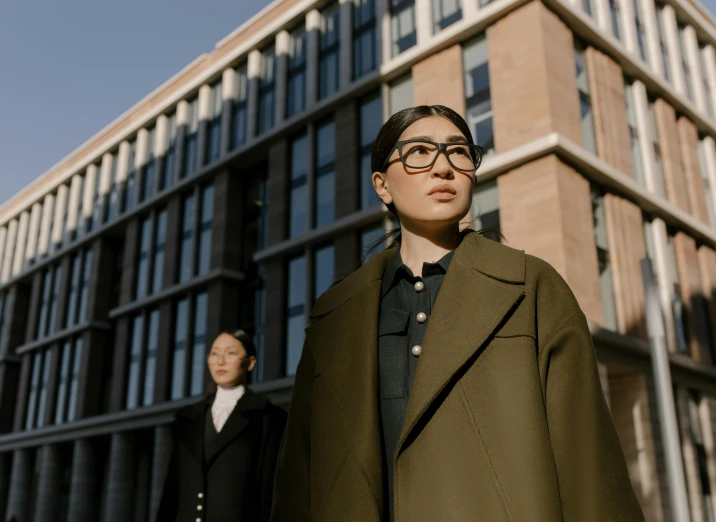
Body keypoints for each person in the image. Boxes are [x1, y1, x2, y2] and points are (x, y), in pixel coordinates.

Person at [270, 105, 644, 521]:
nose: (442, 167)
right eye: (419, 152)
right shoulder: (335, 315)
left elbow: (588, 463)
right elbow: (297, 482)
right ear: (382, 185)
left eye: (459, 152)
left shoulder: (532, 287)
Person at [156, 329, 287, 522]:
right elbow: (172, 491)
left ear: (250, 363)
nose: (220, 361)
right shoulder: (187, 418)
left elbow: (270, 492)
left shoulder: (269, 418)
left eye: (230, 353)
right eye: (215, 353)